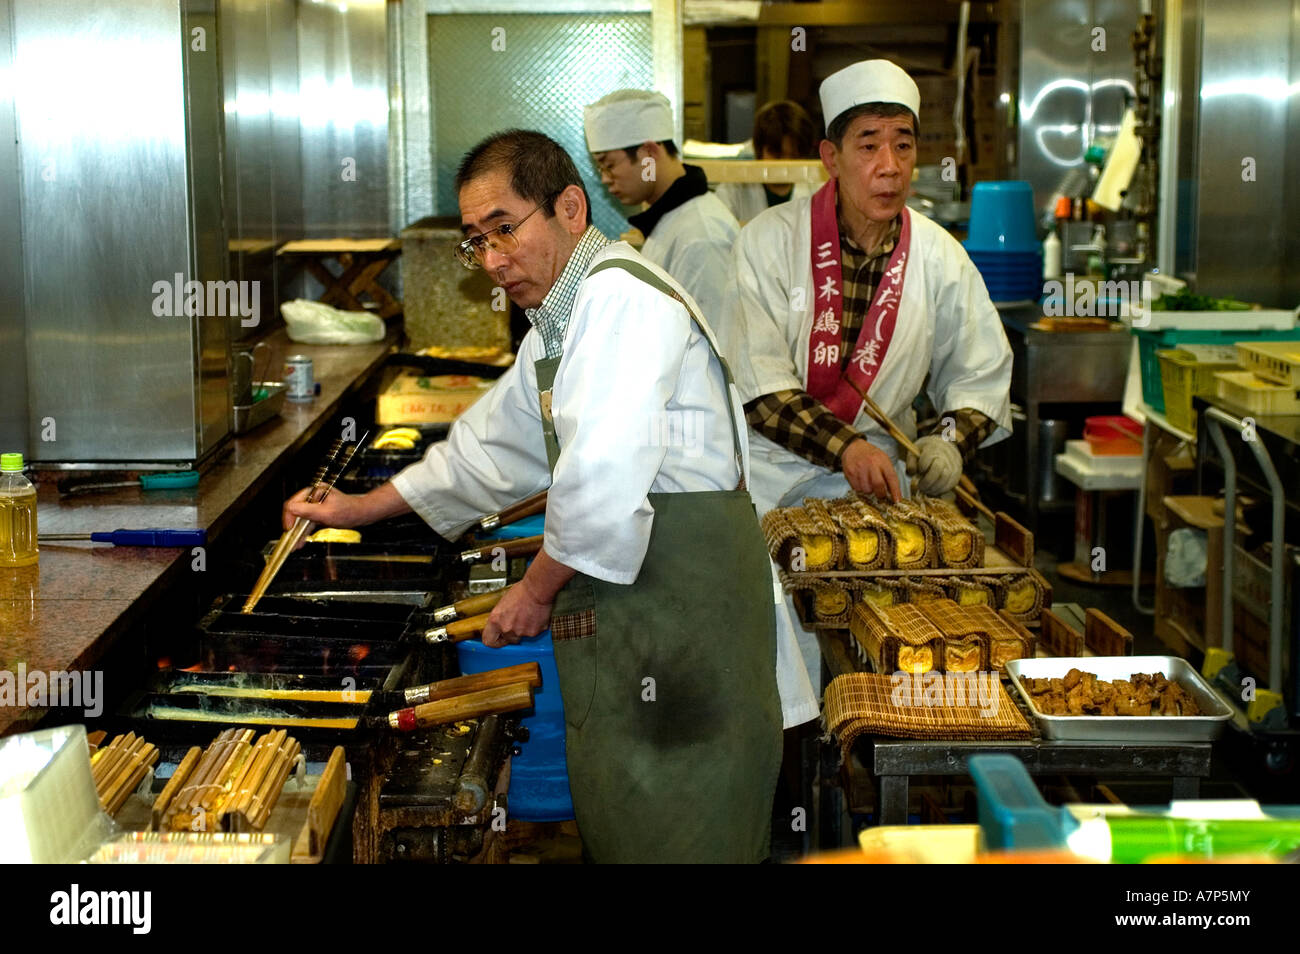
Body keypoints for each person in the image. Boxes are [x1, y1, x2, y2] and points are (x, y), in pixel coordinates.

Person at [283, 130, 781, 864]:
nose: (490, 260)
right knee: (635, 832)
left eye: (505, 230)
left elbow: (601, 478)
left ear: (571, 208)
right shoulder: (559, 322)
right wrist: (356, 509)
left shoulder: (619, 298)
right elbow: (488, 451)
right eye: (474, 242)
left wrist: (536, 592)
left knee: (686, 835)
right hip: (647, 632)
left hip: (689, 644)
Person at [716, 59, 1013, 724]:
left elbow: (981, 372)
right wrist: (847, 445)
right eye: (869, 144)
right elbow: (761, 389)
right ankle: (793, 783)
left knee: (881, 664)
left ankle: (865, 765)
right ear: (830, 156)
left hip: (878, 498)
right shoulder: (767, 245)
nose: (890, 165)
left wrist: (950, 441)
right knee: (779, 673)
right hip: (767, 485)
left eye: (904, 144)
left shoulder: (939, 256)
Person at [583, 89, 739, 326]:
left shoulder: (702, 236)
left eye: (609, 165)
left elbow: (714, 344)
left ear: (648, 154)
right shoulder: (670, 220)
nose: (605, 179)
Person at [715, 100, 819, 225]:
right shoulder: (732, 191)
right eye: (777, 155)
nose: (784, 165)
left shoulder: (818, 190)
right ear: (759, 150)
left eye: (793, 156)